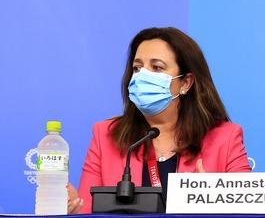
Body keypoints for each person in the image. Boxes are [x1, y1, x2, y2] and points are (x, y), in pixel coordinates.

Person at [70, 27, 251, 213]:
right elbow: (88, 212)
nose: (142, 76)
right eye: (137, 68)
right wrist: (74, 211)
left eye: (157, 67)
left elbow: (249, 212)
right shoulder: (105, 135)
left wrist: (215, 202)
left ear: (185, 83)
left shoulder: (226, 138)